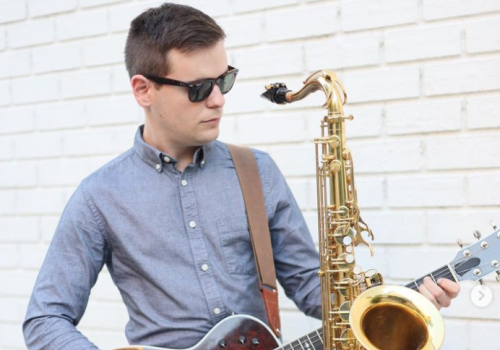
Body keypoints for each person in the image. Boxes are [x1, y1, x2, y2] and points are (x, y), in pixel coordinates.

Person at [22, 3, 460, 350]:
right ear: (143, 90)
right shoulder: (100, 196)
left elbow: (314, 290)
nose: (217, 101)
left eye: (224, 81)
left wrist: (397, 306)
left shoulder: (257, 172)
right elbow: (44, 319)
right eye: (198, 88)